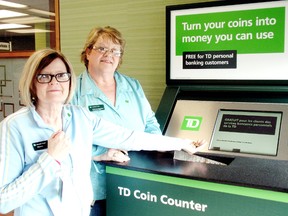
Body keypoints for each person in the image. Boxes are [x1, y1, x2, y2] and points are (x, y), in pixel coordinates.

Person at [0, 48, 205, 216]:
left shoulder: (80, 117)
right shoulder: (15, 127)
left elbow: (129, 137)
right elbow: (4, 201)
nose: (54, 82)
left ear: (69, 80)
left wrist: (181, 143)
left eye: (61, 75)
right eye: (44, 76)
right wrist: (49, 160)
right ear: (32, 82)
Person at [71, 26, 162, 216]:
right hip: (95, 188)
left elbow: (150, 123)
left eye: (115, 50)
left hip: (135, 183)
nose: (109, 55)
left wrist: (156, 146)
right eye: (102, 48)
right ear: (88, 52)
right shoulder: (74, 91)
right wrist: (102, 152)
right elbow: (68, 138)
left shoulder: (133, 85)